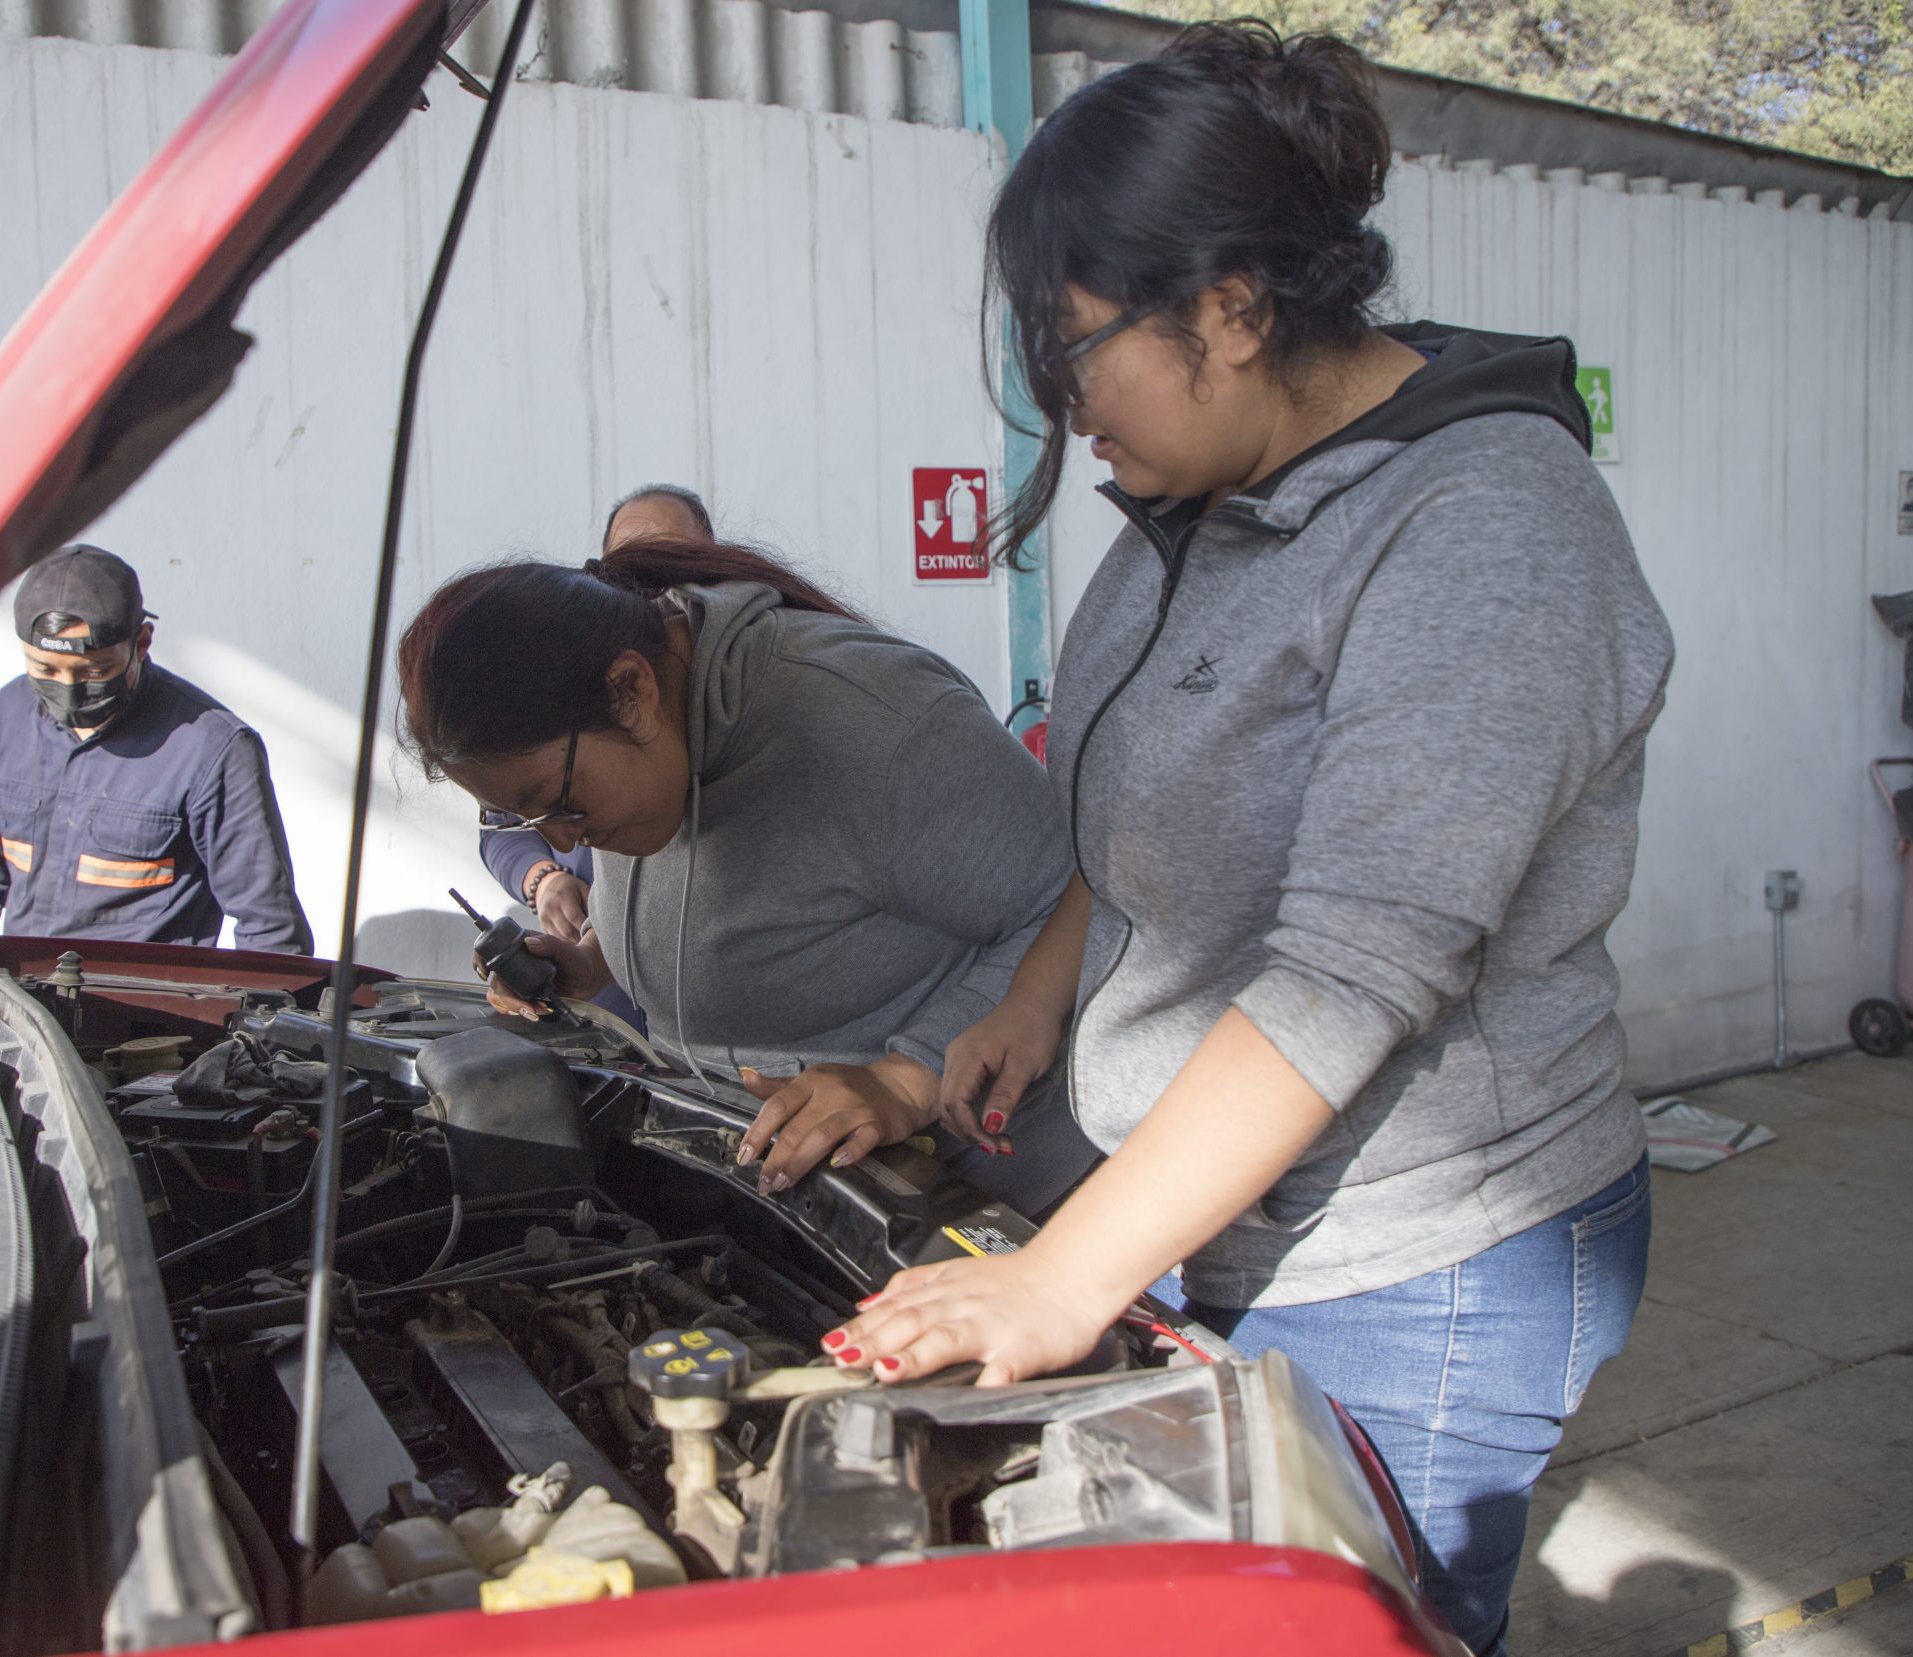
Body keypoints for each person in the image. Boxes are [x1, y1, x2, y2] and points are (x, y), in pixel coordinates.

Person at [822, 27, 1672, 1655]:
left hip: (1422, 1261)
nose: (1066, 411)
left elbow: (1357, 966)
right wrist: (1036, 997)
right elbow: (1145, 801)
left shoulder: (1485, 531)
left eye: (1077, 352)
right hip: (1223, 1222)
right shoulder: (1199, 502)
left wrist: (1065, 1275)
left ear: (1231, 305)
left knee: (1350, 1626)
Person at [401, 537, 1099, 1216]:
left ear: (631, 690)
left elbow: (1086, 896)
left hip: (996, 1199)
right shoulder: (645, 736)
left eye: (560, 800)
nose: (561, 838)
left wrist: (909, 1077)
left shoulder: (876, 728)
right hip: (785, 1186)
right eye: (525, 817)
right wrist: (598, 959)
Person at [0, 544, 311, 952]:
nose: (69, 693)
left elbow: (269, 926)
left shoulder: (214, 749)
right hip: (21, 1006)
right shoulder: (6, 717)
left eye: (94, 671)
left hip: (147, 1010)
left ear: (142, 643)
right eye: (45, 670)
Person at [476, 486, 713, 1024]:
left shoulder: (749, 709)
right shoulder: (564, 683)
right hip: (613, 1012)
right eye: (631, 571)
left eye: (678, 564)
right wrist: (544, 880)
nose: (656, 591)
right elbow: (503, 824)